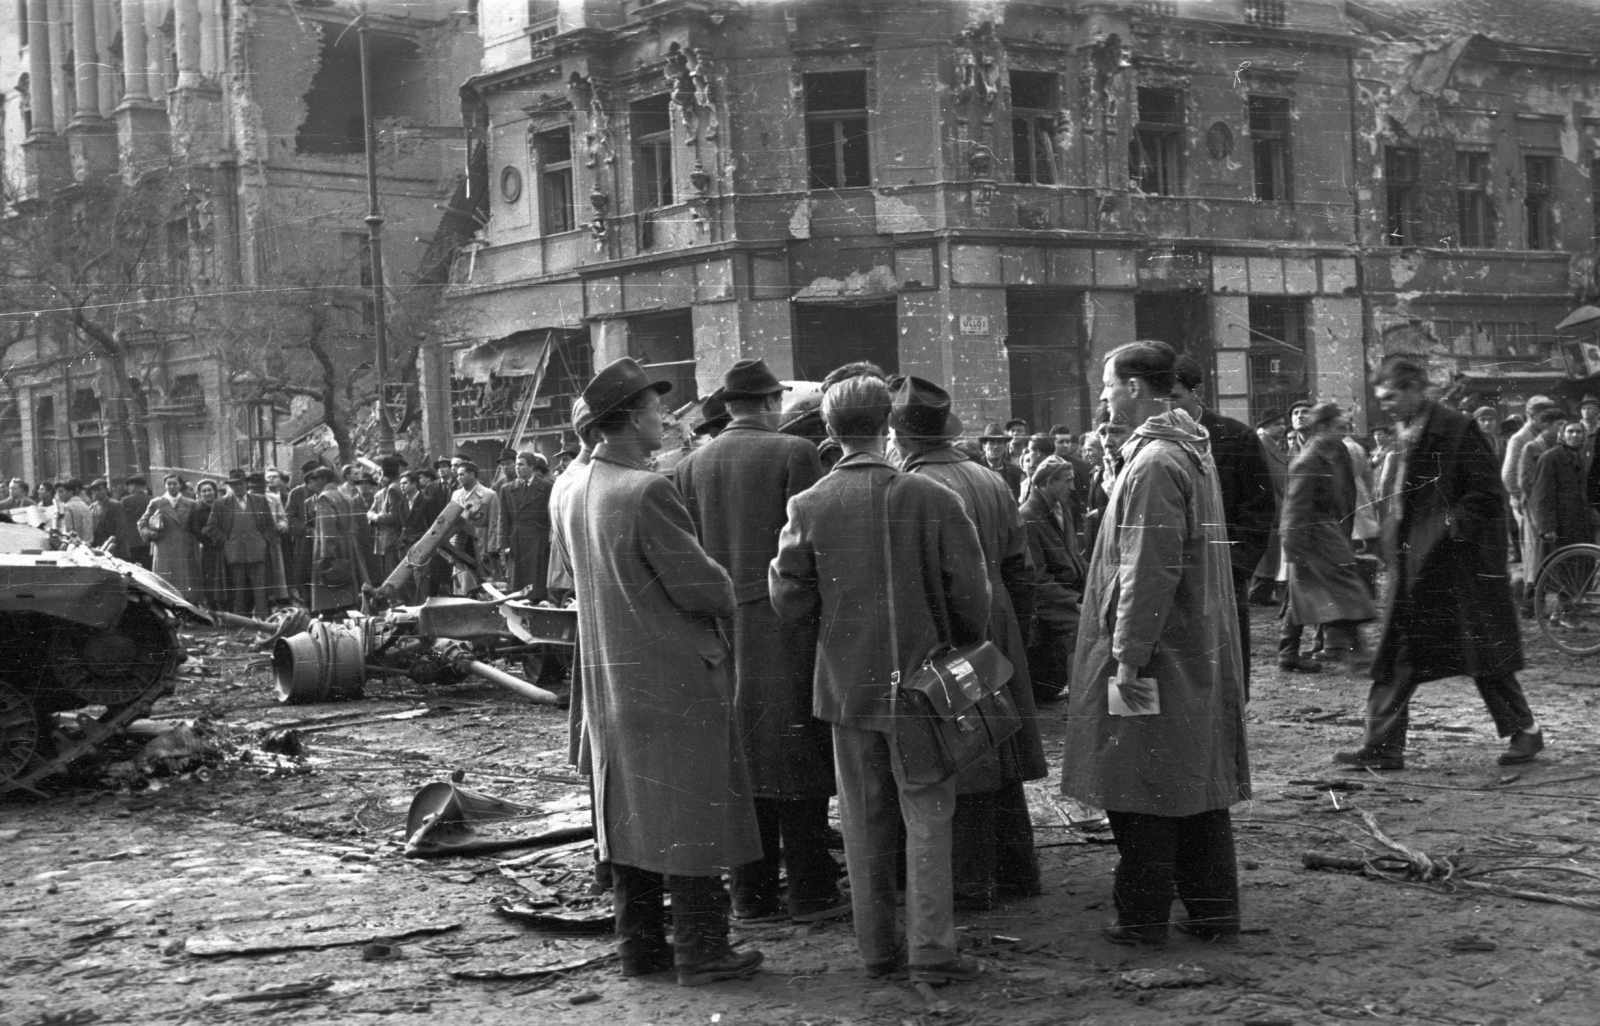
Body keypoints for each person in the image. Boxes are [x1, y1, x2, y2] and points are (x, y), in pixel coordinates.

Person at [772, 374, 992, 986]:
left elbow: (788, 601)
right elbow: (974, 597)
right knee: (928, 814)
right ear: (887, 424)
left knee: (863, 821)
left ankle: (875, 951)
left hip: (846, 688)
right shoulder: (931, 498)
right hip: (923, 688)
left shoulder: (808, 505)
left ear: (830, 431)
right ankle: (932, 951)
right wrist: (958, 643)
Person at [551, 357, 764, 986]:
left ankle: (638, 948)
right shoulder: (646, 490)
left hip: (609, 683)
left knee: (628, 817)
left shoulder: (569, 487)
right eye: (654, 409)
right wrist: (725, 582)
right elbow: (705, 590)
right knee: (692, 812)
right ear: (628, 420)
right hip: (671, 677)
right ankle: (702, 949)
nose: (665, 419)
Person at [1061, 339, 1249, 948]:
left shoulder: (1153, 463)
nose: (1104, 396)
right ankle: (1213, 911)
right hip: (1187, 650)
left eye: (1109, 385)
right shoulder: (1183, 449)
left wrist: (1128, 657)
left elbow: (1147, 570)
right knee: (1191, 781)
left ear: (1138, 388)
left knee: (1139, 779)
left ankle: (1140, 917)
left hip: (1155, 657)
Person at [673, 359, 842, 926]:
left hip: (722, 627)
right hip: (784, 622)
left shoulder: (690, 465)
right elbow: (812, 543)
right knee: (797, 751)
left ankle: (751, 894)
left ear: (727, 405)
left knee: (742, 757)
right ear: (771, 403)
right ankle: (813, 890)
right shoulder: (794, 454)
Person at [1335, 356, 1544, 770]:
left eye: (1392, 396)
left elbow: (1487, 496)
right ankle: (1382, 746)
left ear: (1416, 389)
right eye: (1382, 399)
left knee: (1483, 657)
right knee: (1396, 655)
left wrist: (1443, 529)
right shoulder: (1404, 431)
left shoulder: (1457, 429)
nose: (1386, 406)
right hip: (1412, 568)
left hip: (1457, 569)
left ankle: (1526, 732)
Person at [891, 375, 1046, 914]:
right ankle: (1018, 870)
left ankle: (970, 881)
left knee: (960, 750)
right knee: (998, 743)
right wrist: (1016, 634)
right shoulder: (988, 476)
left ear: (902, 438)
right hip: (997, 617)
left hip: (949, 624)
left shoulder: (911, 486)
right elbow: (1021, 567)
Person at [1171, 357, 1276, 693]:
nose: (1167, 407)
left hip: (1223, 569)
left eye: (1174, 396)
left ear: (1196, 392)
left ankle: (1232, 715)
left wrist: (1235, 566)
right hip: (1173, 568)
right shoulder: (1156, 439)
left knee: (1225, 655)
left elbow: (1258, 510)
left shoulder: (1236, 438)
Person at [1278, 402, 1378, 673]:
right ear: (1321, 428)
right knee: (1344, 588)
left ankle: (1290, 652)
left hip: (1329, 532)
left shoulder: (1336, 453)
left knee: (1307, 593)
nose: (1344, 433)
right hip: (1312, 536)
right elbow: (1295, 507)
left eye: (1346, 428)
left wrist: (1343, 529)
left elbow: (1345, 495)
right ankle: (1356, 651)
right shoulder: (1309, 460)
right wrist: (1293, 547)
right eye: (1338, 428)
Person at [1019, 456, 1082, 704]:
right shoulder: (1027, 517)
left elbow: (1074, 558)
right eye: (1067, 481)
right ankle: (1080, 705)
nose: (1073, 487)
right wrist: (1075, 602)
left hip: (1062, 593)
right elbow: (1037, 578)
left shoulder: (1060, 508)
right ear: (1048, 482)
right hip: (1043, 599)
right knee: (1081, 628)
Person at [1531, 419, 1593, 629]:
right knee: (1564, 569)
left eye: (1579, 432)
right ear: (1562, 434)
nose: (1575, 435)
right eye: (1571, 432)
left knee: (1575, 568)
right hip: (1560, 526)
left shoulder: (1578, 457)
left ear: (1584, 436)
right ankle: (1568, 616)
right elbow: (1541, 494)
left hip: (1578, 524)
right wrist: (1546, 526)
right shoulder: (1551, 457)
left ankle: (1559, 615)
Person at [210, 470, 276, 618]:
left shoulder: (260, 501)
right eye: (234, 484)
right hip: (234, 551)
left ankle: (262, 619)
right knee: (238, 588)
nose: (238, 487)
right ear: (231, 486)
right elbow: (211, 527)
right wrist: (226, 541)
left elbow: (270, 525)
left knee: (260, 588)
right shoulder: (221, 503)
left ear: (247, 484)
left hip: (257, 550)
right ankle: (240, 621)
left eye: (241, 483)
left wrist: (264, 540)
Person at [1516, 404, 1565, 599]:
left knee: (1554, 553)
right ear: (1547, 426)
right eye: (1559, 424)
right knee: (1536, 554)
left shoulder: (1559, 448)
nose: (1562, 428)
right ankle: (1531, 602)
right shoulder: (1532, 447)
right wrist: (1541, 501)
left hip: (1555, 508)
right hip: (1535, 508)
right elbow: (1525, 481)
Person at [308, 466, 367, 614]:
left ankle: (332, 617)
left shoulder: (324, 498)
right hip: (348, 546)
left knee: (329, 592)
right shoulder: (344, 496)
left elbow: (327, 530)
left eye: (316, 479)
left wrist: (327, 556)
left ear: (324, 480)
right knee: (348, 589)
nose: (314, 483)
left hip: (333, 549)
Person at [496, 451, 554, 600]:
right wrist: (502, 544)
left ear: (532, 466)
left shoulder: (547, 487)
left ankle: (538, 604)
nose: (517, 468)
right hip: (517, 540)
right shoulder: (507, 489)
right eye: (516, 465)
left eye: (521, 464)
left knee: (537, 578)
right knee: (518, 580)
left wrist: (549, 540)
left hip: (538, 538)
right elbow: (503, 518)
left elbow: (551, 517)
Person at [1250, 410, 1290, 604]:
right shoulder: (1261, 445)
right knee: (1268, 551)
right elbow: (1263, 478)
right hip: (1272, 505)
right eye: (1277, 424)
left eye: (1283, 423)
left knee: (1271, 552)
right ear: (1265, 427)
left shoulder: (1271, 444)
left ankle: (1261, 592)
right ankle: (1259, 593)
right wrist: (1277, 502)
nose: (1282, 427)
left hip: (1277, 504)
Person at [139, 474, 198, 599]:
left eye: (175, 483)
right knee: (165, 587)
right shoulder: (156, 503)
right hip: (163, 549)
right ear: (165, 485)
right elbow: (141, 523)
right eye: (169, 484)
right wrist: (150, 534)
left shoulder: (190, 503)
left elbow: (195, 527)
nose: (171, 486)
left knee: (184, 587)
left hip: (183, 548)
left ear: (180, 485)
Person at [449, 460, 500, 593]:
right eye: (458, 475)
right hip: (459, 540)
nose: (458, 477)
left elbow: (494, 524)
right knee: (461, 578)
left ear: (472, 474)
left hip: (480, 540)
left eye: (461, 474)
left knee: (481, 579)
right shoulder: (456, 495)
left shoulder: (489, 495)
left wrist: (492, 548)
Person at [248, 471, 292, 608]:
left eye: (261, 487)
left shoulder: (273, 498)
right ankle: (260, 601)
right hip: (252, 541)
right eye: (255, 487)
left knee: (275, 571)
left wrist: (282, 525)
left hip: (272, 540)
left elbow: (282, 517)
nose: (258, 490)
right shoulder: (246, 499)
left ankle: (278, 598)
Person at [284, 460, 324, 603]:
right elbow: (290, 518)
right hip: (306, 542)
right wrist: (309, 530)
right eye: (313, 478)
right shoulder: (296, 494)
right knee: (306, 575)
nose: (317, 481)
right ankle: (309, 606)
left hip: (326, 540)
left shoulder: (326, 492)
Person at [368, 454, 409, 584]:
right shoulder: (396, 485)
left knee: (392, 576)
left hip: (392, 538)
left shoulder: (392, 488)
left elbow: (393, 516)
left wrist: (374, 517)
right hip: (395, 538)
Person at [188, 479, 228, 611]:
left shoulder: (223, 505)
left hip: (224, 546)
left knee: (225, 576)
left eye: (209, 490)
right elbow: (195, 529)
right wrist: (209, 540)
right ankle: (213, 607)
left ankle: (227, 606)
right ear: (199, 493)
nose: (207, 493)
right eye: (203, 491)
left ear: (215, 491)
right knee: (210, 577)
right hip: (209, 547)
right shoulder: (196, 509)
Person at [978, 422, 1024, 500]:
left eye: (999, 443)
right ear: (984, 447)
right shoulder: (976, 469)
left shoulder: (1015, 471)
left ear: (1005, 447)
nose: (995, 447)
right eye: (991, 443)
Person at [88, 479, 130, 560]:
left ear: (106, 490)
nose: (96, 492)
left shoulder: (115, 505)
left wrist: (114, 545)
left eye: (99, 489)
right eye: (94, 490)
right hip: (99, 548)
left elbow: (121, 528)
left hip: (115, 549)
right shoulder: (92, 507)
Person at [121, 477, 153, 568]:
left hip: (131, 542)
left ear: (134, 486)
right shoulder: (152, 499)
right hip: (148, 540)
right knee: (148, 568)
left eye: (130, 486)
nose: (128, 489)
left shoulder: (125, 500)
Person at [54, 479, 95, 543]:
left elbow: (67, 530)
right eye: (57, 492)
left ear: (70, 492)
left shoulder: (67, 507)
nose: (58, 495)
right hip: (87, 545)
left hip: (74, 546)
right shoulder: (84, 505)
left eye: (61, 492)